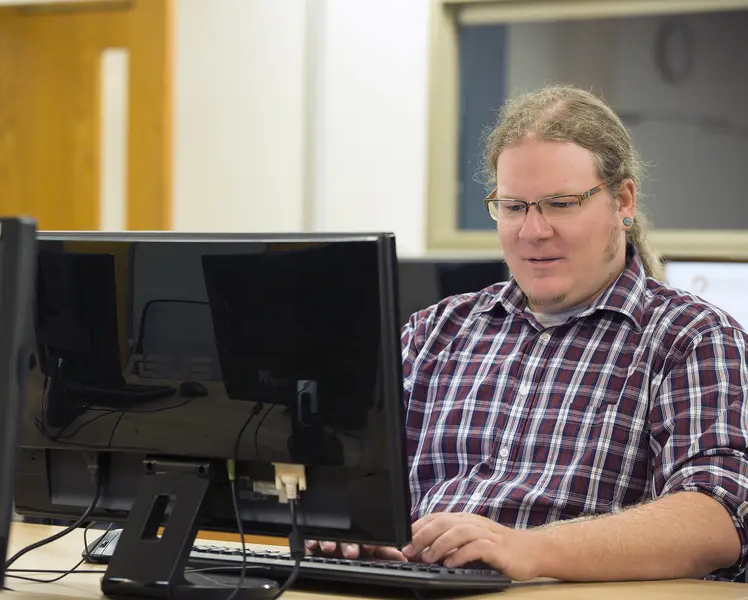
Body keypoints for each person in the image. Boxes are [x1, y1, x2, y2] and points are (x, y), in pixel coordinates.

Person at [307, 85, 748, 582]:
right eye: (513, 207)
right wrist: (353, 529)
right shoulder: (436, 332)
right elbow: (355, 475)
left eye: (560, 204)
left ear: (623, 201)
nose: (533, 231)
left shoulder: (691, 338)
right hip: (417, 587)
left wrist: (527, 550)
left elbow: (716, 518)